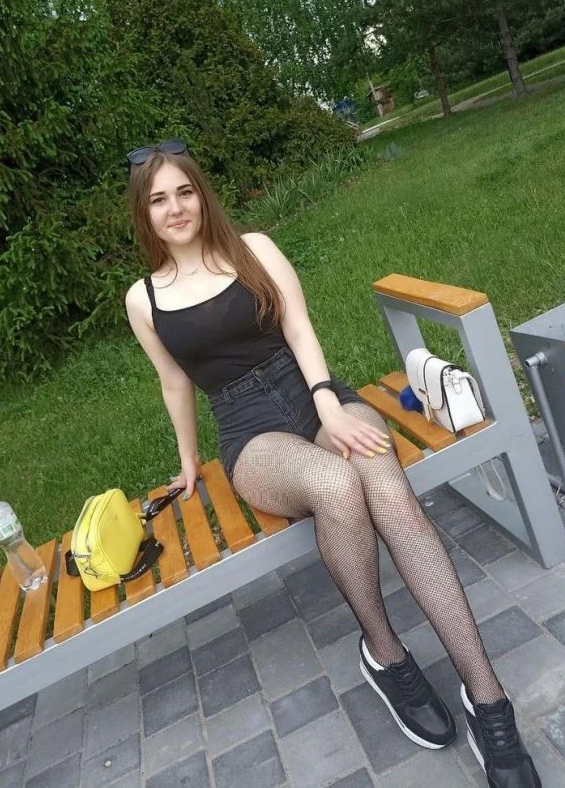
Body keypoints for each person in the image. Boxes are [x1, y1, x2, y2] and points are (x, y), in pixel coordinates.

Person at [124, 139, 541, 788]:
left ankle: (488, 699)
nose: (175, 207)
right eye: (159, 199)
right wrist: (186, 462)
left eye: (185, 192)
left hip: (314, 391)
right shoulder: (144, 298)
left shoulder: (253, 249)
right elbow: (174, 381)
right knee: (335, 482)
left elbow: (298, 327)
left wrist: (327, 403)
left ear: (201, 195)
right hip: (249, 432)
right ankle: (386, 654)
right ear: (144, 213)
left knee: (387, 490)